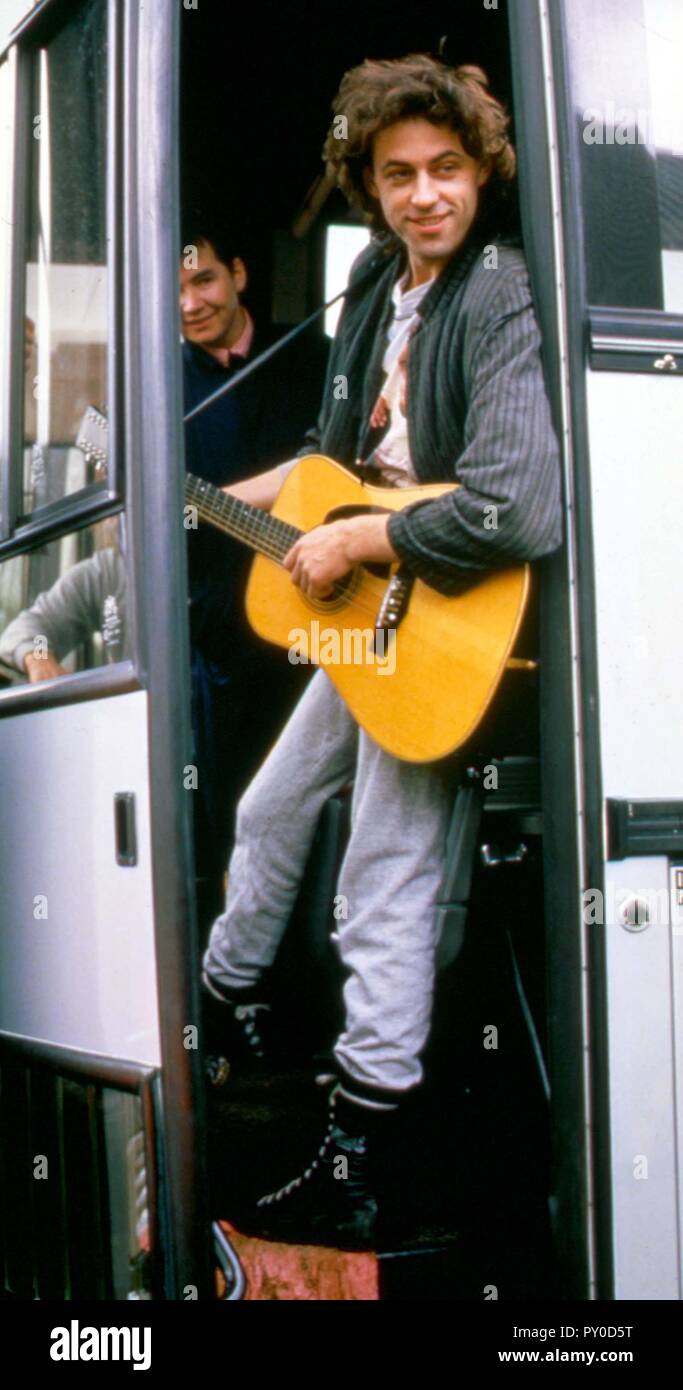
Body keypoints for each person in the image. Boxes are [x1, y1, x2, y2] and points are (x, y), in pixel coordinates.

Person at [201, 53, 563, 1250]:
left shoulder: (495, 290)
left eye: (446, 170)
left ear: (479, 173)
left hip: (441, 620)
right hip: (372, 615)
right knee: (265, 811)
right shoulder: (369, 286)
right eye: (398, 175)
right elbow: (320, 470)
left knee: (382, 883)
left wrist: (363, 531)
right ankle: (231, 1004)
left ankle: (364, 1153)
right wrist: (183, 490)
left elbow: (515, 506)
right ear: (366, 184)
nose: (423, 196)